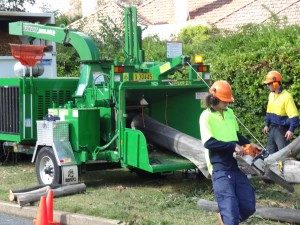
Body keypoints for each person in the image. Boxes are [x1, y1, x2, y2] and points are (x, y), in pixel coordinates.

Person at [199, 80, 256, 225]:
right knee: (230, 210)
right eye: (225, 101)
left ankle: (225, 219)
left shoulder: (230, 113)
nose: (228, 104)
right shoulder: (205, 116)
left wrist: (248, 144)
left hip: (235, 165)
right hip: (220, 167)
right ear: (214, 99)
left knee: (248, 206)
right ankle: (228, 219)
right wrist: (233, 146)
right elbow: (209, 142)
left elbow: (236, 135)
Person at [263, 71, 299, 154]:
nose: (267, 86)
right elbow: (269, 112)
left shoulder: (287, 97)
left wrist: (291, 130)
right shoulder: (271, 95)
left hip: (282, 131)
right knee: (270, 152)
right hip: (273, 128)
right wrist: (266, 124)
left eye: (269, 84)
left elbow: (294, 116)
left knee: (284, 154)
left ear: (276, 83)